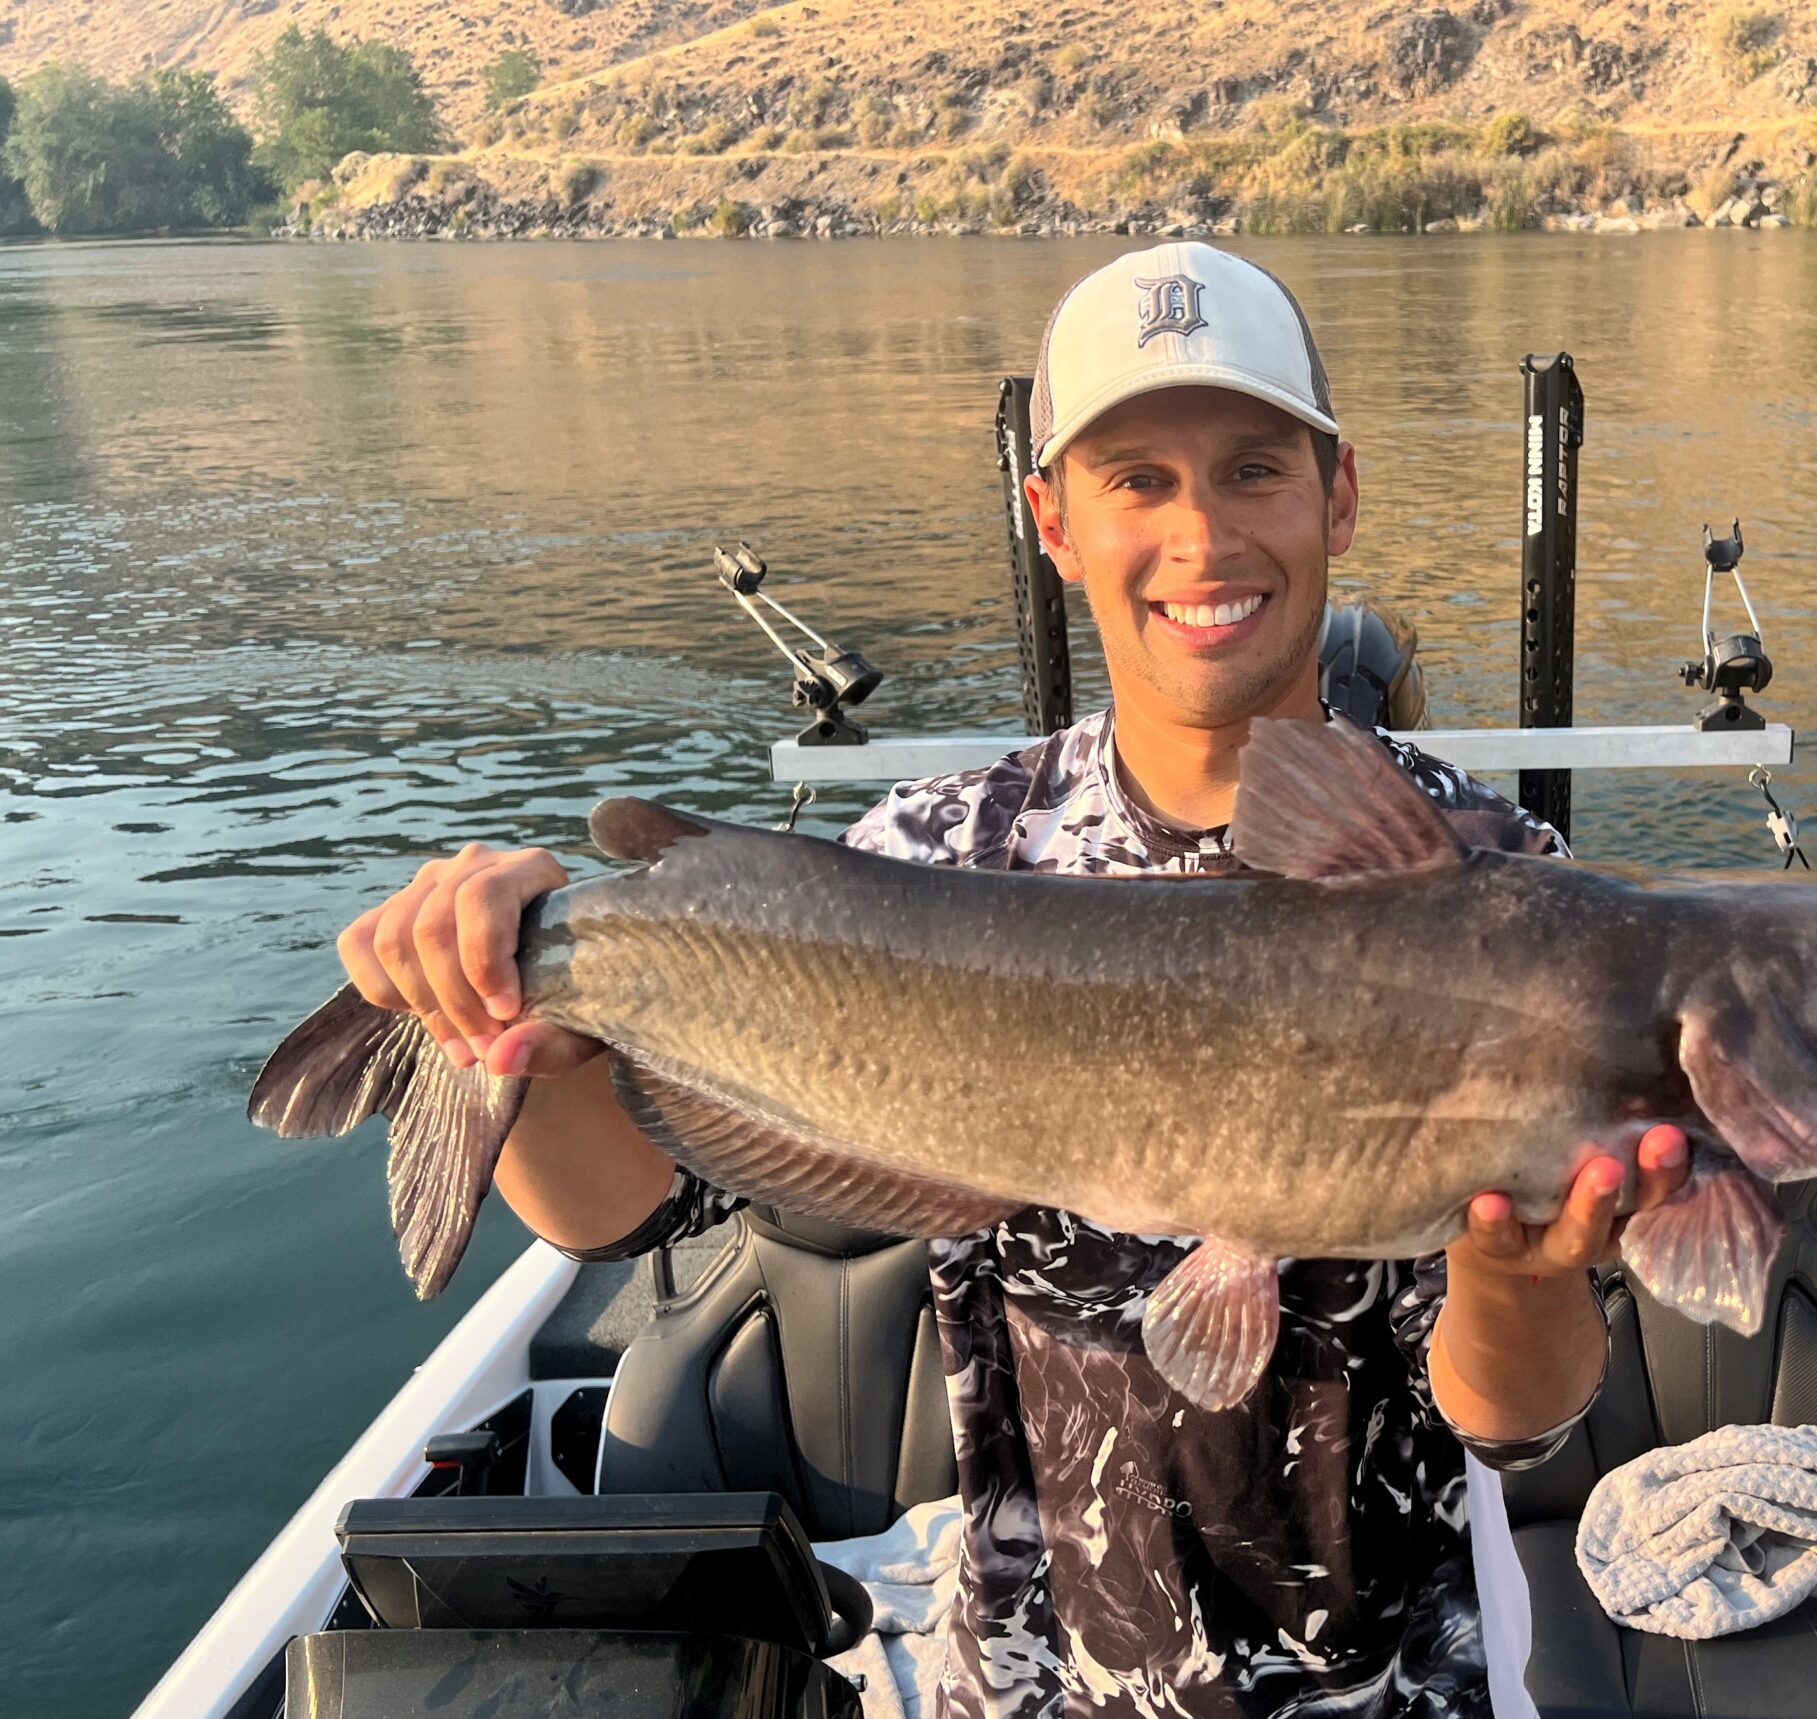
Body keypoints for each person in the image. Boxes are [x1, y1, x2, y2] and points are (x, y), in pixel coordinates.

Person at [332, 242, 1693, 1717]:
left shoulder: (1504, 880)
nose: (1204, 536)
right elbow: (631, 1211)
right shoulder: (932, 850)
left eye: (1252, 471)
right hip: (1038, 1674)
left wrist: (1510, 1253)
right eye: (1138, 482)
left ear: (1337, 495)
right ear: (1053, 518)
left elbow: (1519, 1413)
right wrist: (499, 1025)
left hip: (1398, 1676)